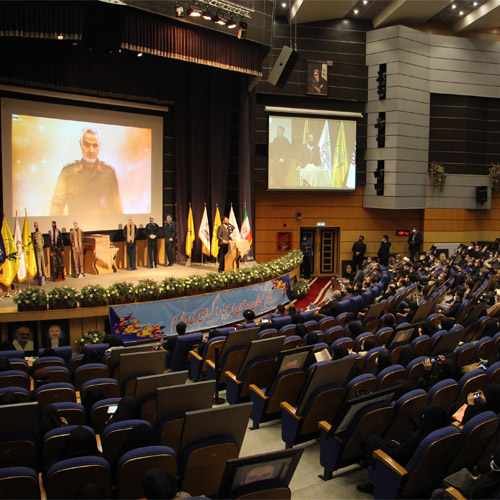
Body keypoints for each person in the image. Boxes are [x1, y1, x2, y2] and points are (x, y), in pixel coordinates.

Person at [50, 125, 122, 215]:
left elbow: (117, 211)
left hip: (104, 228)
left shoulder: (109, 174)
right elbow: (56, 209)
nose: (91, 150)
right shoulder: (67, 173)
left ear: (99, 146)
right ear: (81, 144)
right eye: (87, 145)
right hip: (75, 228)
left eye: (95, 145)